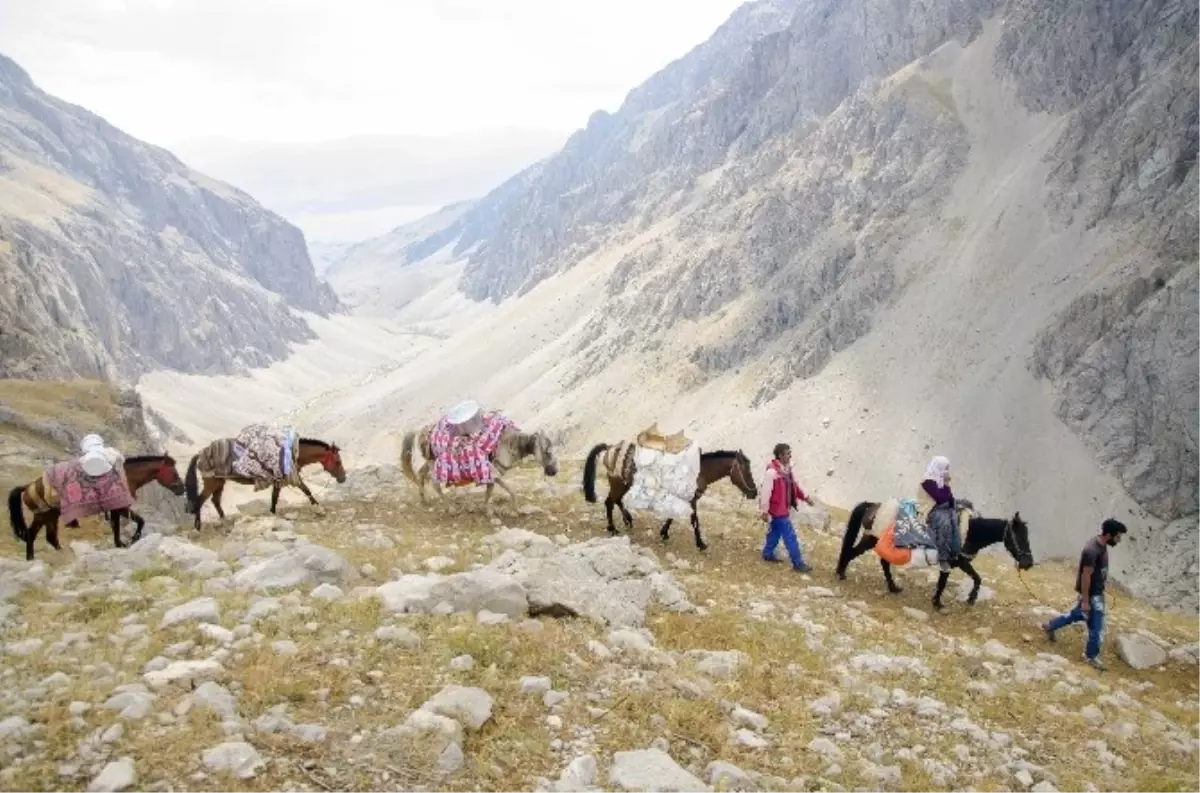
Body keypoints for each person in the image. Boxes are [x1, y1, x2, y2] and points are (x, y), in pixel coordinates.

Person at [1041, 519, 1128, 671]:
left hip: (1096, 593)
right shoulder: (1092, 551)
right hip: (1093, 596)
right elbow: (1085, 576)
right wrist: (1087, 600)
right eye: (1118, 536)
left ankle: (1050, 626)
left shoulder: (1101, 545)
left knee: (1079, 614)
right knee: (1097, 627)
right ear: (1108, 535)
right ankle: (1091, 656)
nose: (1119, 540)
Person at [758, 443, 814, 574]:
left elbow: (794, 487)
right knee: (790, 536)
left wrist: (805, 497)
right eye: (788, 453)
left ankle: (767, 553)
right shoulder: (772, 473)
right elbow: (765, 493)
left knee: (775, 533)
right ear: (780, 455)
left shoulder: (786, 471)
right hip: (778, 511)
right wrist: (764, 511)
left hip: (783, 509)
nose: (790, 455)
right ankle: (798, 563)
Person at [919, 455, 963, 572]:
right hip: (930, 508)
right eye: (945, 468)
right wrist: (947, 485)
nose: (947, 471)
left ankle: (954, 550)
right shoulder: (927, 480)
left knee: (956, 516)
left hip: (941, 506)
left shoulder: (939, 478)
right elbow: (940, 497)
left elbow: (948, 496)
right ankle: (942, 558)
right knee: (945, 523)